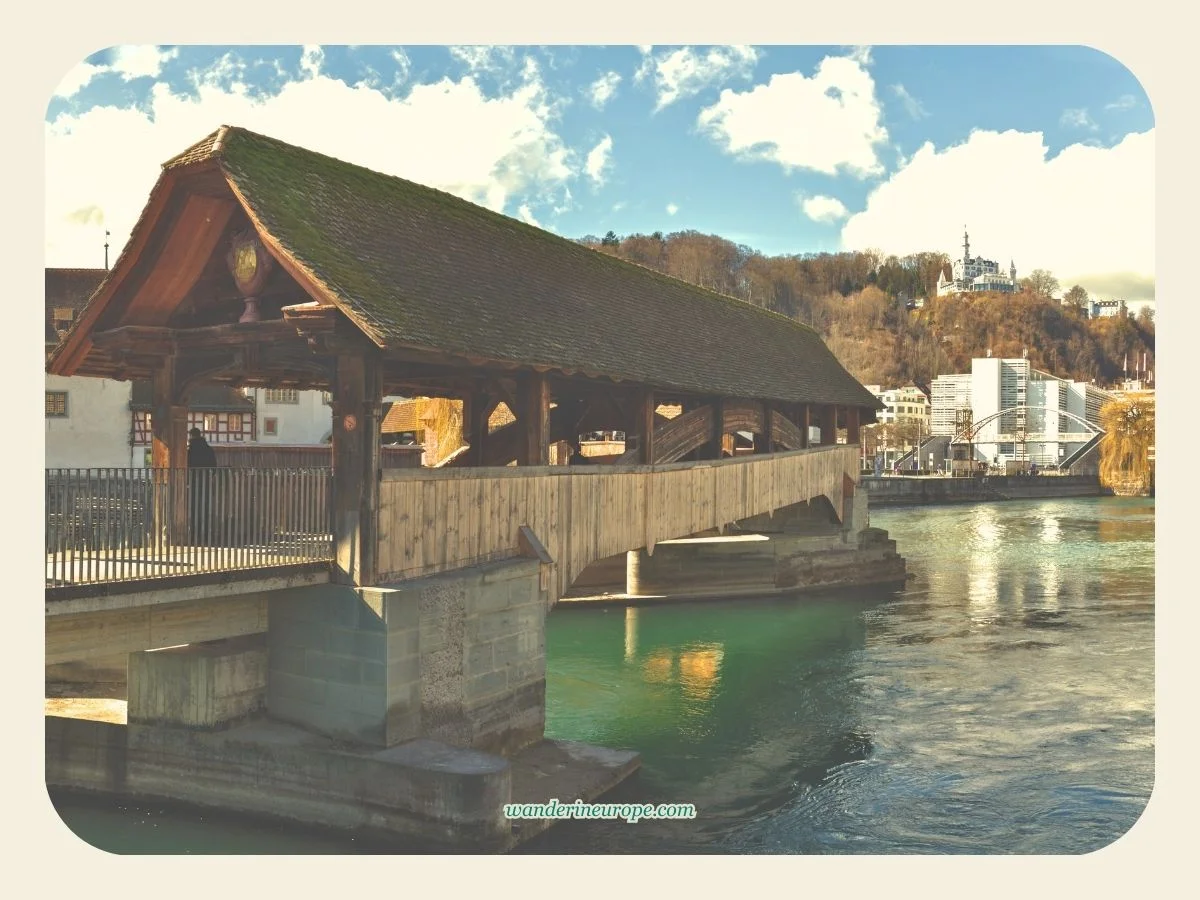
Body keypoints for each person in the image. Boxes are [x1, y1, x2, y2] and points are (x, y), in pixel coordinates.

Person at [187, 427, 217, 543]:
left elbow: (187, 465)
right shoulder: (208, 449)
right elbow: (214, 466)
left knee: (193, 508)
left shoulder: (190, 450)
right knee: (205, 507)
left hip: (194, 482)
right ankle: (205, 533)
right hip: (206, 481)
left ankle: (194, 534)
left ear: (191, 436)